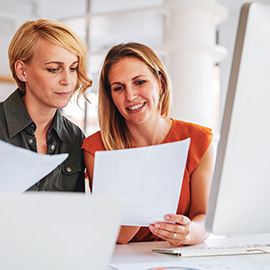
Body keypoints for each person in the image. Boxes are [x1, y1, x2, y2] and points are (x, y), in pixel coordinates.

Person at [82, 42, 215, 246]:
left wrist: (189, 232)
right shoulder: (97, 149)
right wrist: (145, 192)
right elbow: (117, 235)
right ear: (111, 97)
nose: (130, 96)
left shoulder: (197, 140)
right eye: (119, 88)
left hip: (179, 259)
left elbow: (203, 218)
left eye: (140, 82)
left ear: (160, 83)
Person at [0, 19, 92, 192]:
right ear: (22, 71)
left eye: (73, 68)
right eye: (53, 69)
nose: (67, 81)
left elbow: (73, 212)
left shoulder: (74, 137)